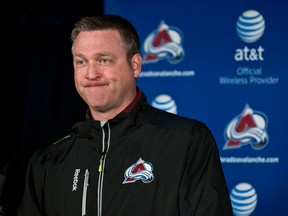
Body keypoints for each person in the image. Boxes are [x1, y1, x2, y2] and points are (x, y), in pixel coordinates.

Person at [17, 14, 233, 216]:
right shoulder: (48, 158)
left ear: (135, 65)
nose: (91, 74)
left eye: (104, 60)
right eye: (81, 61)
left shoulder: (187, 141)